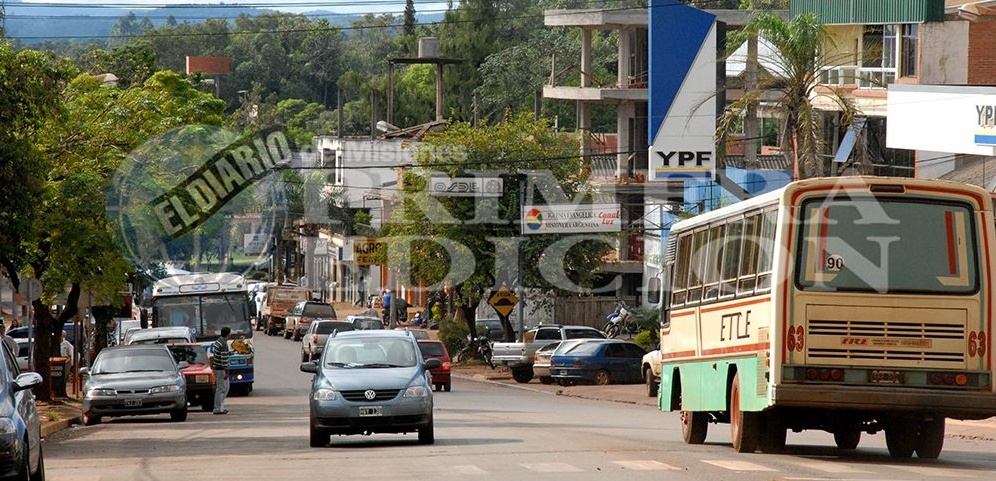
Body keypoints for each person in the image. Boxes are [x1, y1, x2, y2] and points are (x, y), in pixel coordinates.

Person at [211, 326, 231, 415]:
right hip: (221, 369)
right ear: (228, 333)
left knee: (224, 388)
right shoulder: (223, 344)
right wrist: (226, 371)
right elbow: (224, 359)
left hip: (218, 368)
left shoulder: (218, 341)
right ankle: (218, 408)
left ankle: (220, 407)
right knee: (222, 388)